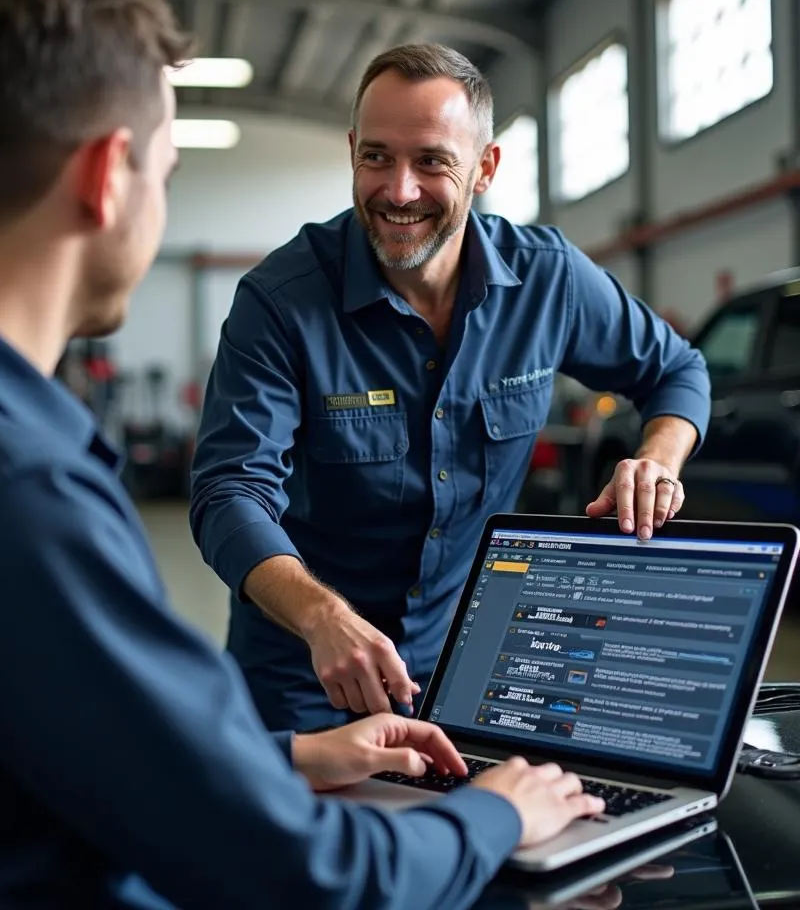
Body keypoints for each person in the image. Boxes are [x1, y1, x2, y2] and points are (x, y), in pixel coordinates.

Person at [0, 0, 604, 910]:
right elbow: (308, 877)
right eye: (165, 170)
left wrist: (287, 755)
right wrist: (501, 811)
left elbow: (38, 743)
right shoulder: (10, 493)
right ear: (107, 176)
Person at [189, 43, 711, 734]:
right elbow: (229, 490)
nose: (398, 190)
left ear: (485, 168)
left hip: (476, 664)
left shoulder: (548, 281)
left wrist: (658, 460)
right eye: (376, 157)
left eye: (432, 161)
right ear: (352, 152)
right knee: (317, 842)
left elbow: (677, 369)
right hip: (311, 671)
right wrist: (323, 619)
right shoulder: (280, 303)